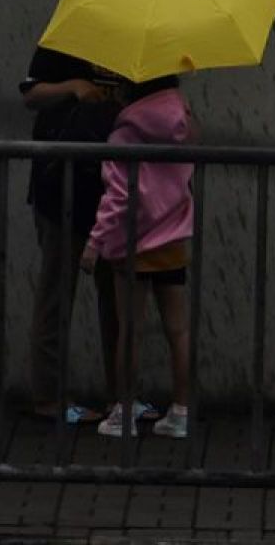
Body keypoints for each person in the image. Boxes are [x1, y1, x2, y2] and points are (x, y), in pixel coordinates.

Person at [81, 74, 195, 438]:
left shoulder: (123, 133)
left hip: (132, 244)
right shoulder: (186, 125)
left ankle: (124, 412)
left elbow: (118, 196)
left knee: (129, 330)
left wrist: (94, 243)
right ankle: (181, 411)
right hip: (173, 239)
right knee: (178, 330)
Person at [21, 47, 123, 423]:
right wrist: (73, 87)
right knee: (57, 292)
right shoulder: (66, 35)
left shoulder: (137, 41)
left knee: (118, 297)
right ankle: (48, 396)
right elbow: (31, 94)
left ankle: (120, 394)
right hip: (61, 185)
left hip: (114, 191)